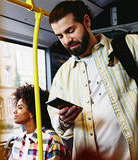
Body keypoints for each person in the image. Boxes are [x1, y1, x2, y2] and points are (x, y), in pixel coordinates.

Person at [47, 1, 138, 160]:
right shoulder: (62, 75)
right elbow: (58, 126)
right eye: (60, 36)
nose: (67, 40)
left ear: (86, 22)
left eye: (71, 30)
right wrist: (63, 120)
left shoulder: (129, 46)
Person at [9, 84, 70, 160]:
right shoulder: (18, 139)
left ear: (32, 112)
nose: (14, 111)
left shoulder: (52, 141)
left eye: (20, 108)